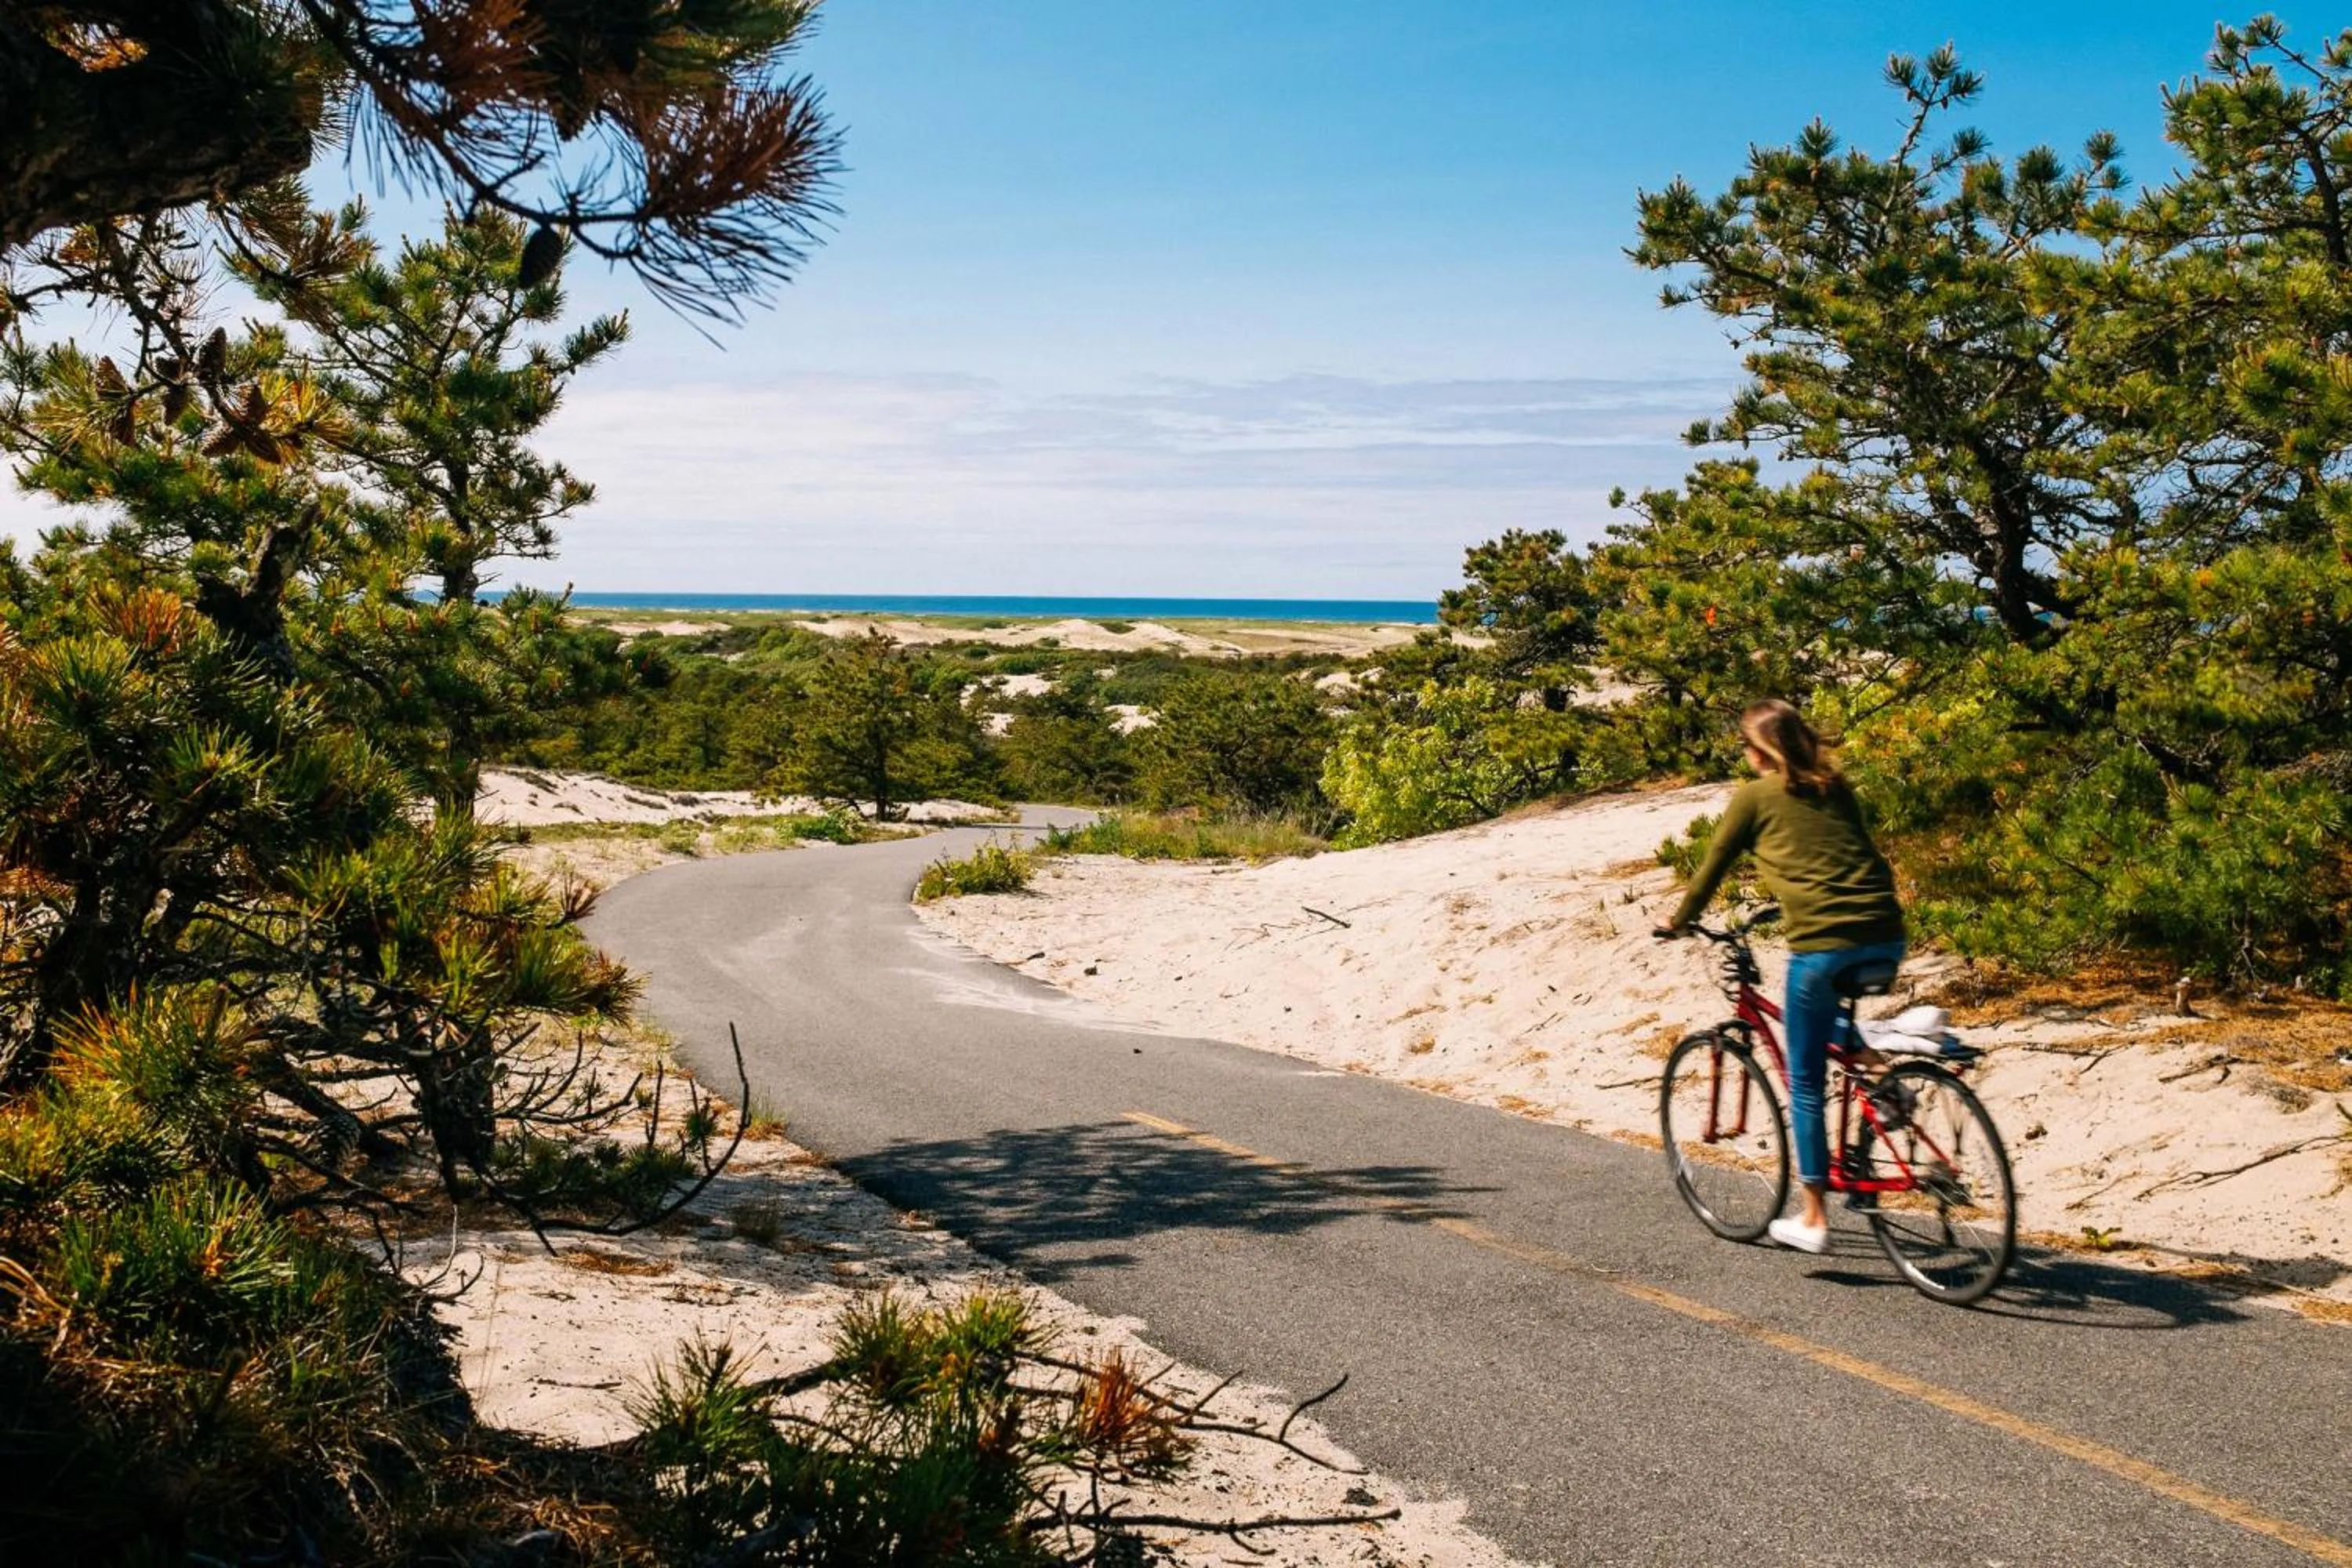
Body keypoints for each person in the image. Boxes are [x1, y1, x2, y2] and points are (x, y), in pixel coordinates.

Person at [1653, 699, 1905, 1254]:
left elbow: (1713, 866)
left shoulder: (1754, 797)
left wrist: (1679, 921)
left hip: (1822, 946)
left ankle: (1813, 1218)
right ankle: (1881, 1075)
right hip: (1887, 934)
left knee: (1806, 1083)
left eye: (1746, 745)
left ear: (1761, 751)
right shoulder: (1835, 787)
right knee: (1810, 1020)